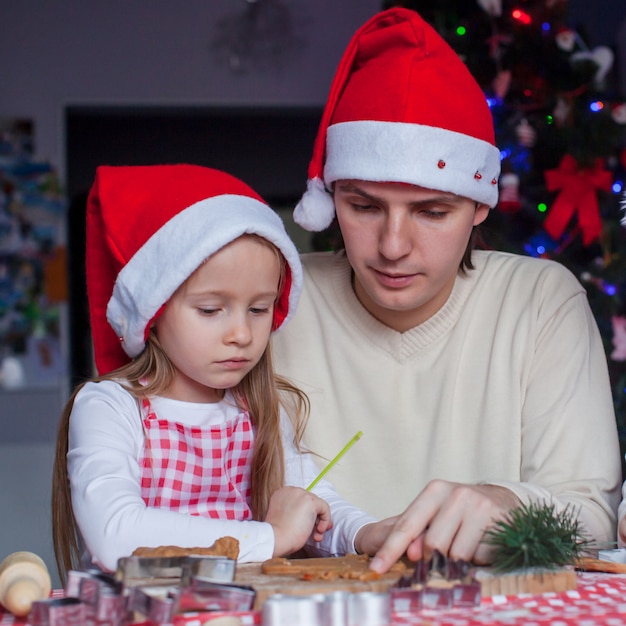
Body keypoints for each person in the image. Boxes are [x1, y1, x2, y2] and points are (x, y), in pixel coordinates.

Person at [271, 7, 622, 573]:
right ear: (330, 196)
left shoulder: (541, 302)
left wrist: (512, 505)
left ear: (481, 203)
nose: (392, 245)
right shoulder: (277, 303)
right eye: (363, 206)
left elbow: (593, 516)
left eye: (432, 212)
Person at [51, 164, 399, 582]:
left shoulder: (260, 410)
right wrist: (268, 538)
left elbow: (310, 503)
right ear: (153, 311)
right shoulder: (110, 407)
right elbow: (115, 534)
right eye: (211, 310)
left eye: (258, 309)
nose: (241, 334)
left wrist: (365, 532)